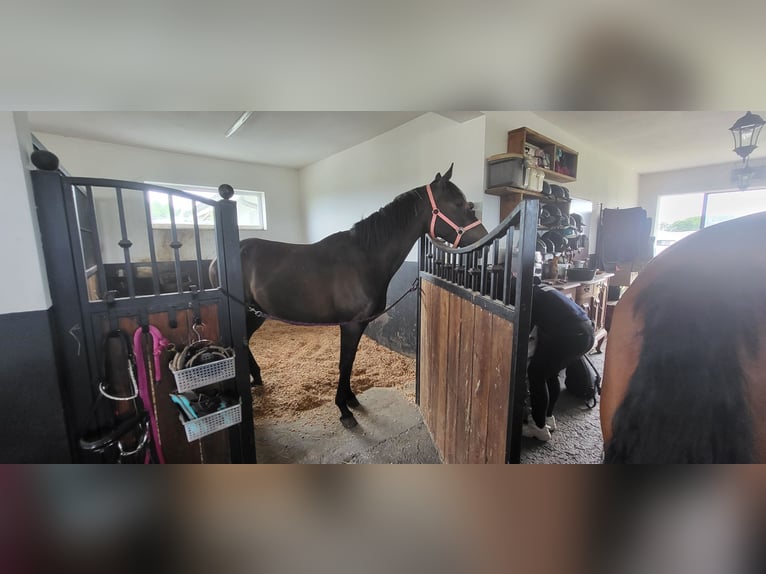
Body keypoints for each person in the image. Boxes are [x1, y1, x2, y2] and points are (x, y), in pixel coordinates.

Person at [522, 279, 595, 441]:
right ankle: (547, 418)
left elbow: (524, 329)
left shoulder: (530, 296)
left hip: (570, 336)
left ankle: (538, 428)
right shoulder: (545, 289)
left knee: (536, 375)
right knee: (550, 374)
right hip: (587, 332)